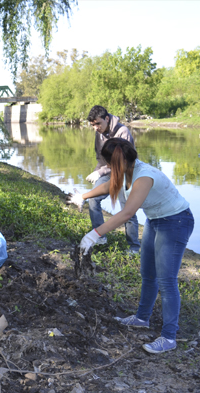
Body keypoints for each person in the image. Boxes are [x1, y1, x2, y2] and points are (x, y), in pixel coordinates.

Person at [67, 139, 194, 353]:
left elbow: (127, 214)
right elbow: (110, 185)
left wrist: (94, 234)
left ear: (116, 162)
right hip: (155, 220)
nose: (108, 169)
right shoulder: (127, 169)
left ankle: (169, 337)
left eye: (109, 165)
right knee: (148, 273)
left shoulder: (144, 176)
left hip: (175, 222)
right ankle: (142, 318)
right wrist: (83, 195)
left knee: (166, 281)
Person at [86, 106, 140, 253]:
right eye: (93, 125)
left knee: (127, 210)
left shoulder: (123, 132)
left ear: (107, 119)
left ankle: (134, 247)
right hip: (107, 172)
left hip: (124, 173)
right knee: (93, 200)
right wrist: (98, 172)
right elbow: (101, 158)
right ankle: (100, 237)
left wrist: (100, 171)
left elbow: (122, 162)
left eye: (98, 124)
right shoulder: (99, 133)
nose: (95, 128)